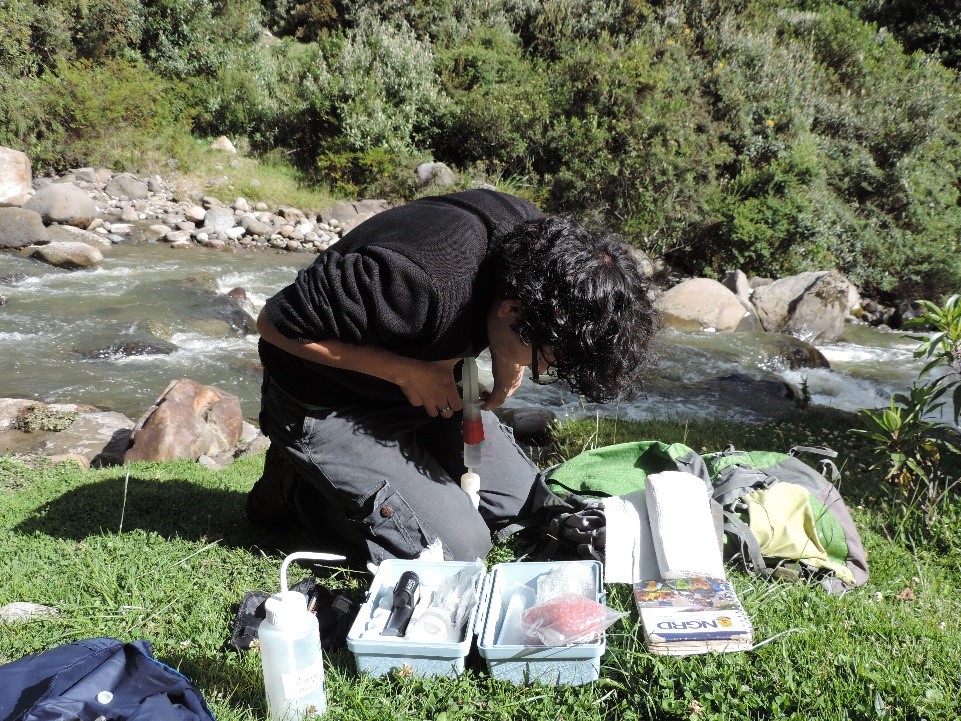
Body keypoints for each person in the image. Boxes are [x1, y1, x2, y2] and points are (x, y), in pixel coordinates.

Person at [247, 189, 658, 565]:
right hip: (324, 400)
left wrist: (509, 357)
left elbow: (514, 326)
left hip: (424, 382)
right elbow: (274, 322)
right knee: (459, 548)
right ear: (513, 311)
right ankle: (298, 490)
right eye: (545, 361)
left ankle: (399, 473)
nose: (542, 372)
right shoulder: (414, 280)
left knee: (524, 507)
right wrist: (405, 372)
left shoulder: (539, 250)